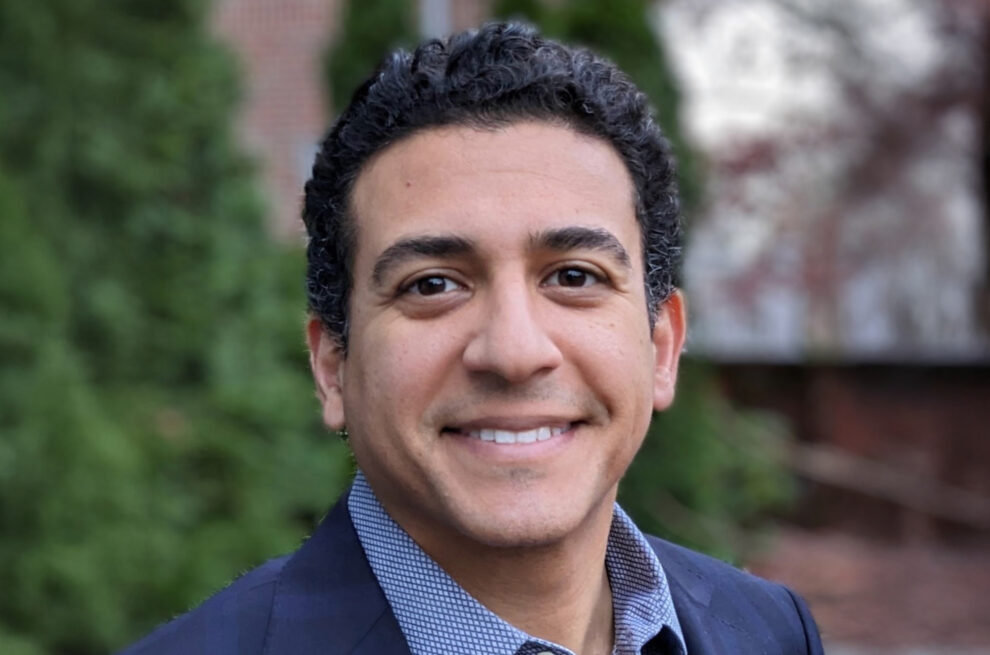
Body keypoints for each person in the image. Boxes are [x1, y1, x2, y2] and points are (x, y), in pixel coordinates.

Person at [120, 22, 824, 655]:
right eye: (433, 284)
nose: (515, 352)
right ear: (332, 366)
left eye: (573, 276)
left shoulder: (770, 631)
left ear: (662, 347)